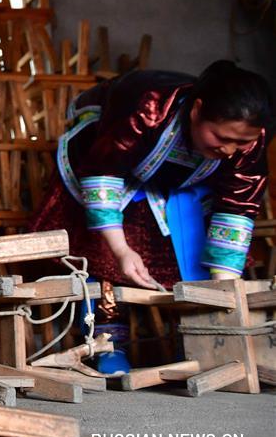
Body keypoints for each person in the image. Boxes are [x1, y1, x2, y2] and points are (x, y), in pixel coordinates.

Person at [30, 60, 272, 372]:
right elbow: (104, 168)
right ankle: (108, 345)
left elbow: (237, 208)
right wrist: (121, 250)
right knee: (104, 255)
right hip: (106, 165)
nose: (229, 150)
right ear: (196, 111)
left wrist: (223, 291)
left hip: (178, 185)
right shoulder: (148, 106)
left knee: (193, 255)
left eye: (241, 142)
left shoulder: (249, 144)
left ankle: (201, 343)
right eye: (220, 137)